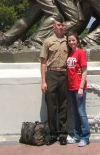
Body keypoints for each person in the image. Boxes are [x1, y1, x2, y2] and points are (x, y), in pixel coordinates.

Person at [39, 14, 69, 145]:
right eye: (58, 24)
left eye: (62, 25)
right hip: (51, 75)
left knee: (63, 105)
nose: (60, 27)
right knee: (51, 106)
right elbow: (43, 62)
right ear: (54, 26)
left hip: (64, 75)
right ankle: (52, 134)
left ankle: (62, 134)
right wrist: (43, 81)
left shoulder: (68, 41)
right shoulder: (48, 41)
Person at [66, 32, 90, 147]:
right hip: (71, 87)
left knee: (81, 113)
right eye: (69, 40)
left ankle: (85, 137)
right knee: (75, 113)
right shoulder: (70, 54)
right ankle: (77, 135)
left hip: (79, 88)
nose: (71, 42)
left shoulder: (80, 53)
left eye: (73, 40)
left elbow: (84, 70)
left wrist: (81, 87)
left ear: (77, 41)